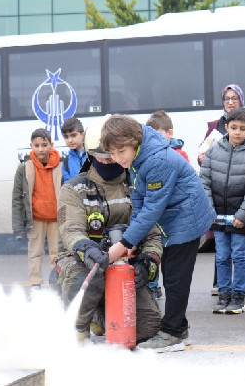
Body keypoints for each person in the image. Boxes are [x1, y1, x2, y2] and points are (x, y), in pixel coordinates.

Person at [102, 114, 215, 352]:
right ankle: (179, 327)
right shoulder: (139, 156)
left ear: (134, 141)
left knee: (175, 278)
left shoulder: (157, 160)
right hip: (174, 219)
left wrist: (123, 243)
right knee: (172, 274)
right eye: (112, 153)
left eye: (120, 151)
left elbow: (153, 208)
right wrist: (133, 239)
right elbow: (141, 200)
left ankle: (173, 334)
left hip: (187, 219)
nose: (116, 158)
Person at [55, 117, 162, 343]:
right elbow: (72, 231)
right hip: (82, 262)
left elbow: (152, 234)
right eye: (103, 157)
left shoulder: (138, 185)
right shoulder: (74, 189)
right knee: (90, 276)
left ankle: (101, 315)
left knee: (146, 328)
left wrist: (147, 263)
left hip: (125, 265)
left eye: (115, 155)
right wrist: (90, 251)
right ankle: (79, 323)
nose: (110, 161)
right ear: (91, 156)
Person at [198, 84, 245, 297]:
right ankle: (222, 288)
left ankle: (243, 288)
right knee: (221, 252)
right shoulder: (214, 130)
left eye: (234, 97)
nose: (230, 101)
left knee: (242, 250)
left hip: (242, 204)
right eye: (227, 98)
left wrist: (244, 212)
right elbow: (205, 172)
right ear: (227, 127)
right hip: (218, 207)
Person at [145, 109, 189, 300]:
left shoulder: (180, 154)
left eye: (158, 133)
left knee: (171, 257)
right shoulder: (148, 155)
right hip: (156, 213)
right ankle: (152, 286)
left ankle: (171, 288)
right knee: (153, 250)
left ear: (170, 133)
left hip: (173, 214)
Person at [12, 128, 62, 287]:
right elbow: (17, 197)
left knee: (58, 254)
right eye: (37, 145)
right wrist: (18, 226)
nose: (40, 149)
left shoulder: (60, 165)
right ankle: (35, 284)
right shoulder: (24, 167)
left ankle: (57, 284)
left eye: (44, 145)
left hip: (56, 218)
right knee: (34, 253)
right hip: (36, 219)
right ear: (31, 146)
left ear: (52, 145)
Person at [61, 117, 87, 184]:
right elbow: (67, 185)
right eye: (66, 137)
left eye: (73, 135)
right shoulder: (66, 161)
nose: (70, 140)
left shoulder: (92, 155)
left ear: (82, 135)